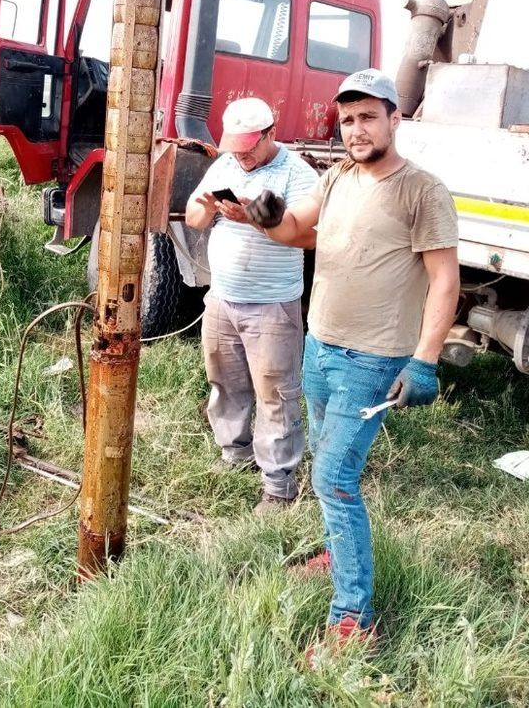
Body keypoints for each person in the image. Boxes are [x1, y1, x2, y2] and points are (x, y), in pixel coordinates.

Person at [242, 69, 460, 648]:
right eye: (347, 120)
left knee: (335, 479)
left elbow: (444, 281)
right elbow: (293, 230)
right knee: (327, 471)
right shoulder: (337, 176)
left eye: (368, 117)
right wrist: (266, 216)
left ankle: (354, 616)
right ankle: (340, 558)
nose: (356, 130)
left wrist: (425, 361)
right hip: (320, 348)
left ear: (395, 118)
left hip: (374, 360)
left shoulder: (422, 190)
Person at [185, 97, 318, 515]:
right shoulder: (224, 165)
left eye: (249, 147)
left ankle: (278, 486)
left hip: (271, 305)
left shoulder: (298, 173)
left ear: (271, 134)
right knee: (225, 381)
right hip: (223, 299)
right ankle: (235, 453)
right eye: (235, 147)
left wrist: (254, 219)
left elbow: (311, 236)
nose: (240, 155)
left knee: (276, 393)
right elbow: (191, 218)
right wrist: (206, 208)